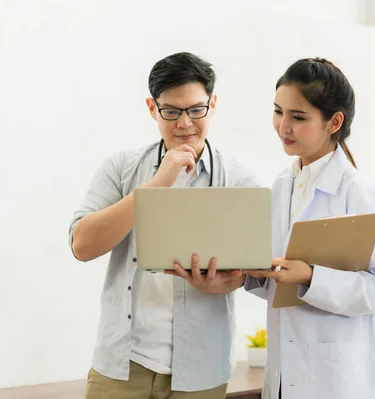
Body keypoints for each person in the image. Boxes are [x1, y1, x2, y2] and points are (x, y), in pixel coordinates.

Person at [69, 52, 259, 399]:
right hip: (120, 367)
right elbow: (82, 245)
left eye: (196, 110)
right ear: (152, 108)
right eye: (171, 111)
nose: (184, 123)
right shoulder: (121, 167)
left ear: (212, 105)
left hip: (200, 370)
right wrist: (158, 183)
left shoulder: (241, 182)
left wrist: (224, 283)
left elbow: (251, 272)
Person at [245, 58, 375, 399]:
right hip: (288, 373)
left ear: (334, 121)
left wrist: (310, 276)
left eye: (298, 117)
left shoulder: (357, 192)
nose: (283, 126)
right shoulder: (282, 186)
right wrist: (253, 272)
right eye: (278, 112)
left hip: (338, 379)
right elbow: (278, 278)